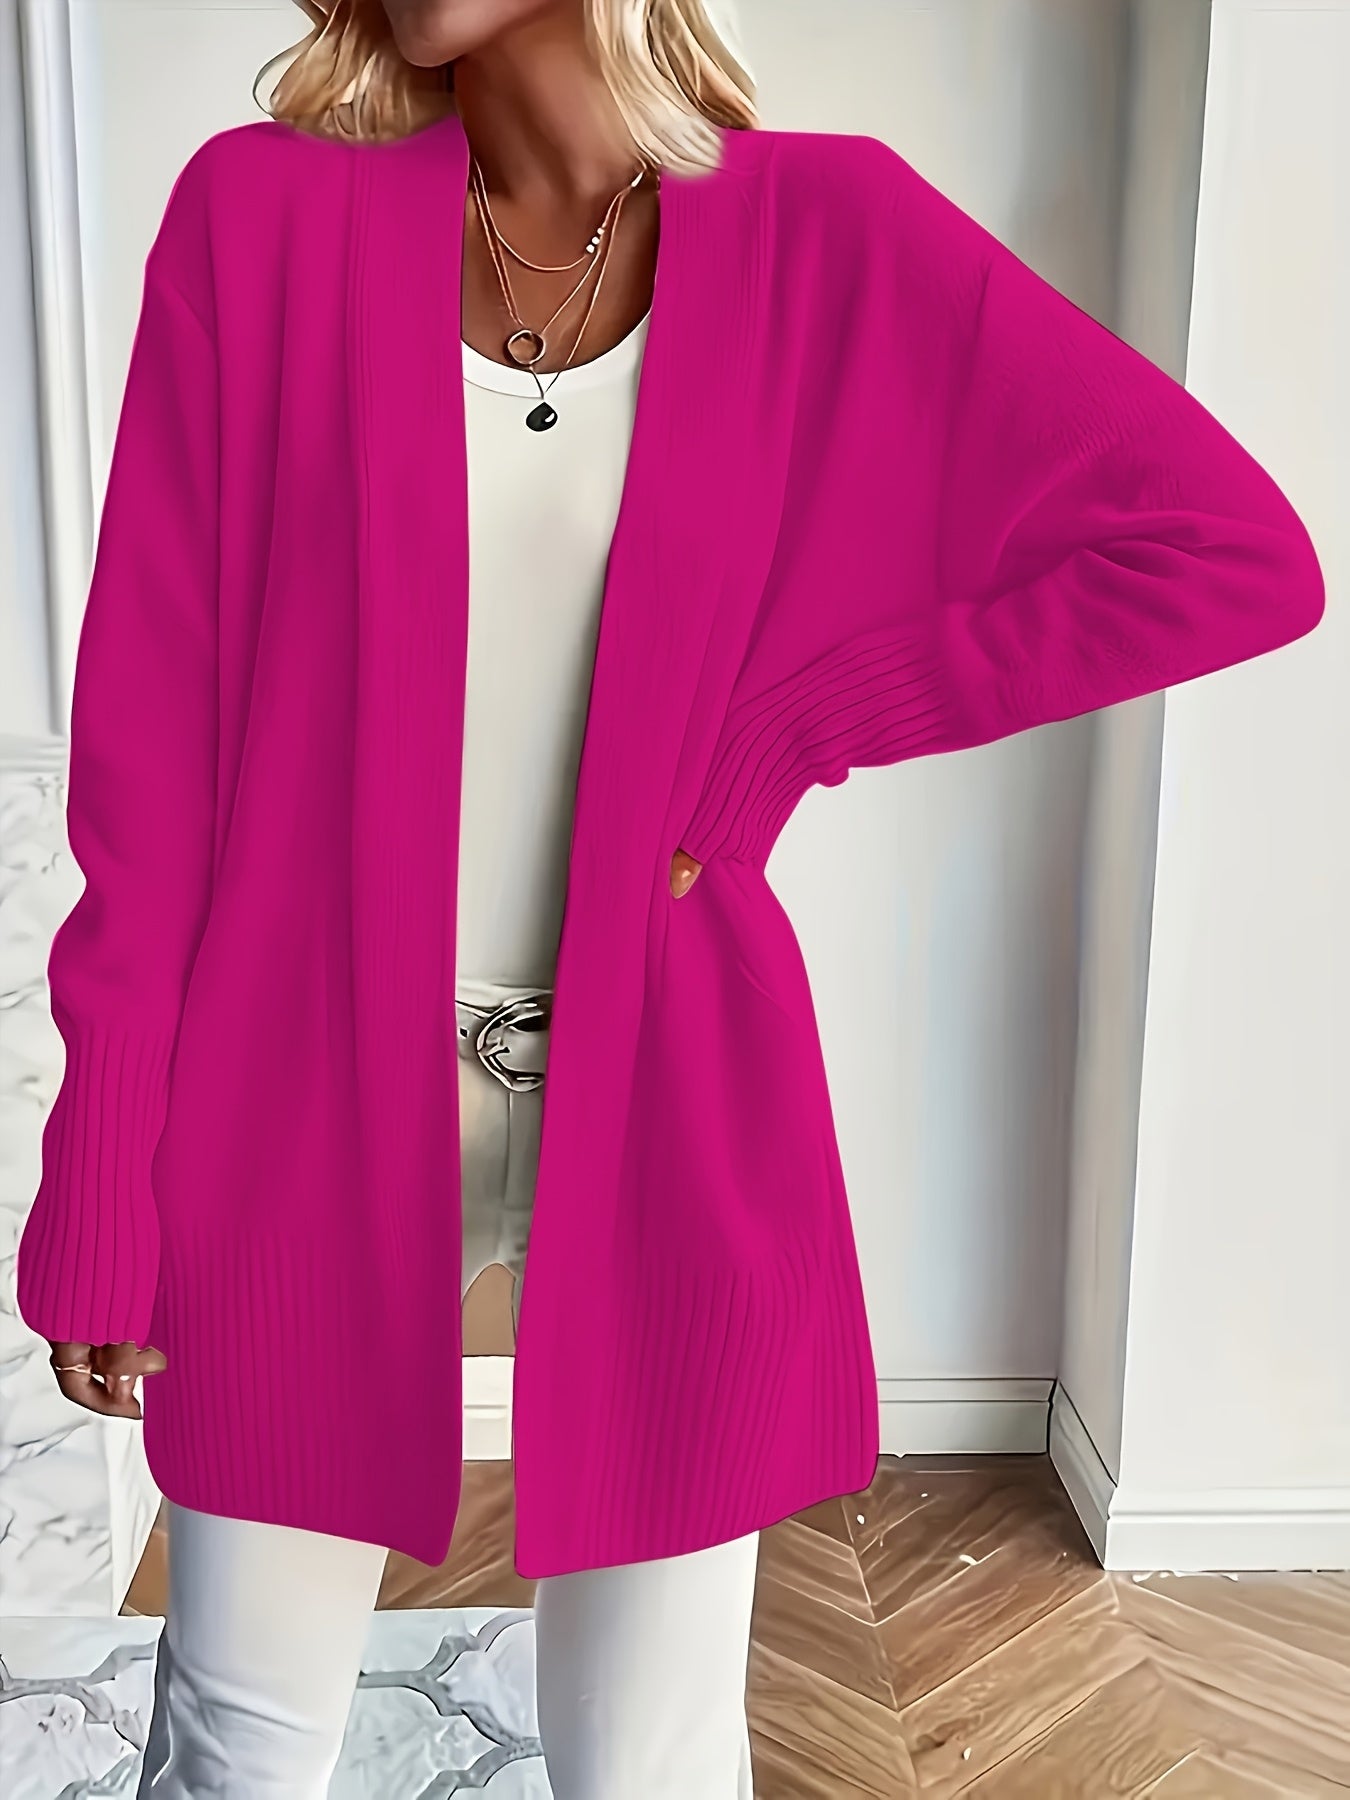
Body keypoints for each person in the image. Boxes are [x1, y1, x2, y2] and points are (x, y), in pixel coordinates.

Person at [15, 0, 1324, 1795]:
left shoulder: (825, 228)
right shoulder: (260, 218)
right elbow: (151, 754)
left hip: (666, 1086)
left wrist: (798, 728)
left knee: (649, 1758)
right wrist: (102, 1162)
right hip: (294, 1087)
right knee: (236, 1734)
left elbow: (1230, 553)